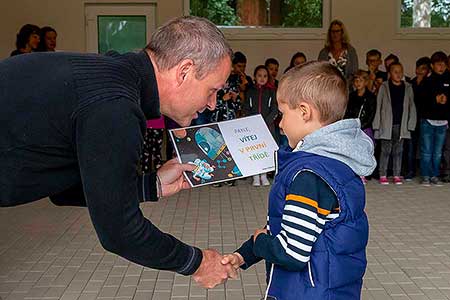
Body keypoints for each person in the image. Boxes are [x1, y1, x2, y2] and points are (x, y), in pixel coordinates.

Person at [0, 16, 237, 289]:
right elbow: (120, 232)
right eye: (212, 90)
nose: (212, 104)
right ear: (184, 71)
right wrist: (197, 262)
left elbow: (65, 189)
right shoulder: (116, 108)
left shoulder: (114, 76)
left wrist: (153, 185)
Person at [221, 61, 376, 300]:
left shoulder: (308, 177)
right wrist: (244, 255)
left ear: (304, 112)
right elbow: (291, 228)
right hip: (331, 289)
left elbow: (291, 252)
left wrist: (260, 241)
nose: (280, 124)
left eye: (283, 114)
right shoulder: (337, 163)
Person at [373, 62, 416, 185]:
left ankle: (397, 174)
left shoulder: (408, 87)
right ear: (389, 73)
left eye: (400, 71)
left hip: (401, 125)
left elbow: (411, 106)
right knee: (385, 151)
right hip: (386, 125)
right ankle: (383, 174)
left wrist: (410, 124)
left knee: (398, 151)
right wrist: (377, 125)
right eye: (395, 72)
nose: (398, 74)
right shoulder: (384, 87)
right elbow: (378, 106)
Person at [242, 65, 278, 187]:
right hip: (253, 126)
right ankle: (255, 176)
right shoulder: (250, 91)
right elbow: (246, 107)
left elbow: (274, 108)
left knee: (266, 151)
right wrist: (252, 121)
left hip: (267, 126)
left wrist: (266, 121)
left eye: (265, 76)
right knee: (255, 150)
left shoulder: (271, 91)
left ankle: (264, 174)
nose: (262, 78)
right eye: (259, 76)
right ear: (254, 77)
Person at [419, 51, 450, 186]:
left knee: (438, 152)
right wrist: (435, 99)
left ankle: (435, 175)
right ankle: (425, 175)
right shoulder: (427, 81)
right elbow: (420, 100)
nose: (441, 67)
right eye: (438, 64)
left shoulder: (449, 79)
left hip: (443, 121)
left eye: (443, 64)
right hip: (428, 120)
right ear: (432, 65)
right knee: (426, 151)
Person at [344, 70, 377, 184]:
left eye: (361, 80)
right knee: (352, 151)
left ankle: (363, 173)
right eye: (356, 80)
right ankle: (353, 172)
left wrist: (361, 126)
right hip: (352, 128)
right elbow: (347, 112)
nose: (358, 83)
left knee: (364, 152)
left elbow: (370, 115)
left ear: (366, 82)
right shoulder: (351, 96)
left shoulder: (371, 97)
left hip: (364, 128)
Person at [404, 57, 431, 181]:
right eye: (418, 68)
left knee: (426, 147)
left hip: (426, 119)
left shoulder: (430, 83)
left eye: (424, 69)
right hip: (412, 120)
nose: (420, 71)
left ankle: (427, 171)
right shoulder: (411, 84)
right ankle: (410, 170)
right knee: (411, 147)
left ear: (428, 70)